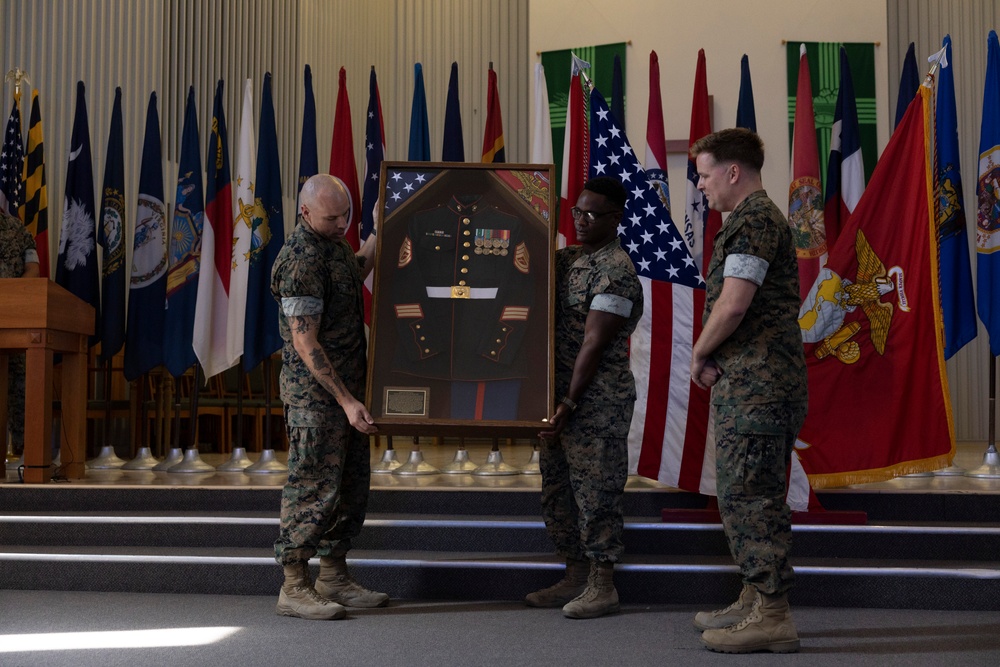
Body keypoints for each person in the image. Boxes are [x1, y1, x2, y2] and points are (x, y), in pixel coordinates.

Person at [689, 128, 808, 653]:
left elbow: (733, 304)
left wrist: (699, 352)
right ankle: (754, 597)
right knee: (742, 493)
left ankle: (773, 615)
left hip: (759, 388)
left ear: (733, 172)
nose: (700, 184)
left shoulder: (755, 221)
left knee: (752, 497)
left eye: (704, 172)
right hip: (754, 382)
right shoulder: (749, 220)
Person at [270, 174, 388, 620]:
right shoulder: (299, 259)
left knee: (350, 487)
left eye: (347, 215)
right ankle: (295, 585)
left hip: (348, 393)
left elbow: (353, 270)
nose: (342, 224)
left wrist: (377, 229)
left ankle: (334, 575)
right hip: (316, 399)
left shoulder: (333, 245)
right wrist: (346, 400)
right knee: (313, 487)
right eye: (332, 217)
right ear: (305, 213)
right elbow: (306, 343)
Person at [527, 176, 642, 619]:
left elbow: (593, 343)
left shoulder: (615, 270)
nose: (580, 220)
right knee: (557, 491)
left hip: (595, 403)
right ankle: (575, 574)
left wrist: (568, 403)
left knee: (596, 492)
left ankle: (602, 583)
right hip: (556, 401)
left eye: (591, 214)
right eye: (576, 211)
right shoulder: (569, 259)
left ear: (615, 218)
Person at [0, 209, 40, 456]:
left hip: (14, 321)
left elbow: (33, 269)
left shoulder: (17, 228)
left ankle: (26, 451)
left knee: (21, 387)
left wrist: (13, 294)